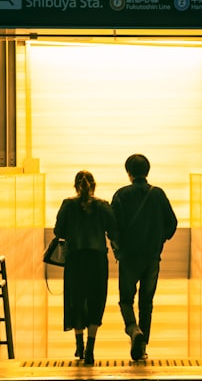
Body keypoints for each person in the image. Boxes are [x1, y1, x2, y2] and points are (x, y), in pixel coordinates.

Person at [110, 154, 177, 362]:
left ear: (128, 173)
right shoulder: (158, 194)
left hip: (129, 257)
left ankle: (133, 330)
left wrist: (118, 247)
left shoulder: (121, 195)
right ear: (146, 171)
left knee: (126, 300)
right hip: (151, 257)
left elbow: (112, 227)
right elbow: (172, 223)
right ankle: (143, 346)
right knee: (146, 303)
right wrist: (159, 240)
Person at [53, 170, 117, 365]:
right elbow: (113, 230)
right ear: (94, 185)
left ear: (76, 186)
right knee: (96, 300)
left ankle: (79, 345)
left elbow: (58, 230)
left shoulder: (67, 205)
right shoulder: (103, 206)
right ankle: (90, 348)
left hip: (75, 259)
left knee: (76, 299)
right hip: (97, 260)